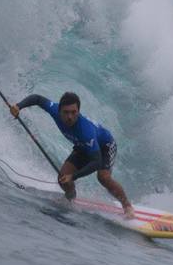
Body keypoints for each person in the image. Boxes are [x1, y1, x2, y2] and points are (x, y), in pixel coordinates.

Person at [9, 91, 136, 219]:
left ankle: (127, 206)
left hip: (105, 146)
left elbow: (96, 161)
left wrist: (74, 176)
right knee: (62, 178)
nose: (70, 117)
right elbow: (37, 99)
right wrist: (18, 106)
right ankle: (70, 197)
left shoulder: (86, 131)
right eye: (66, 112)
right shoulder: (54, 110)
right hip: (82, 146)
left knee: (103, 177)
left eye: (74, 112)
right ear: (59, 110)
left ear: (78, 111)